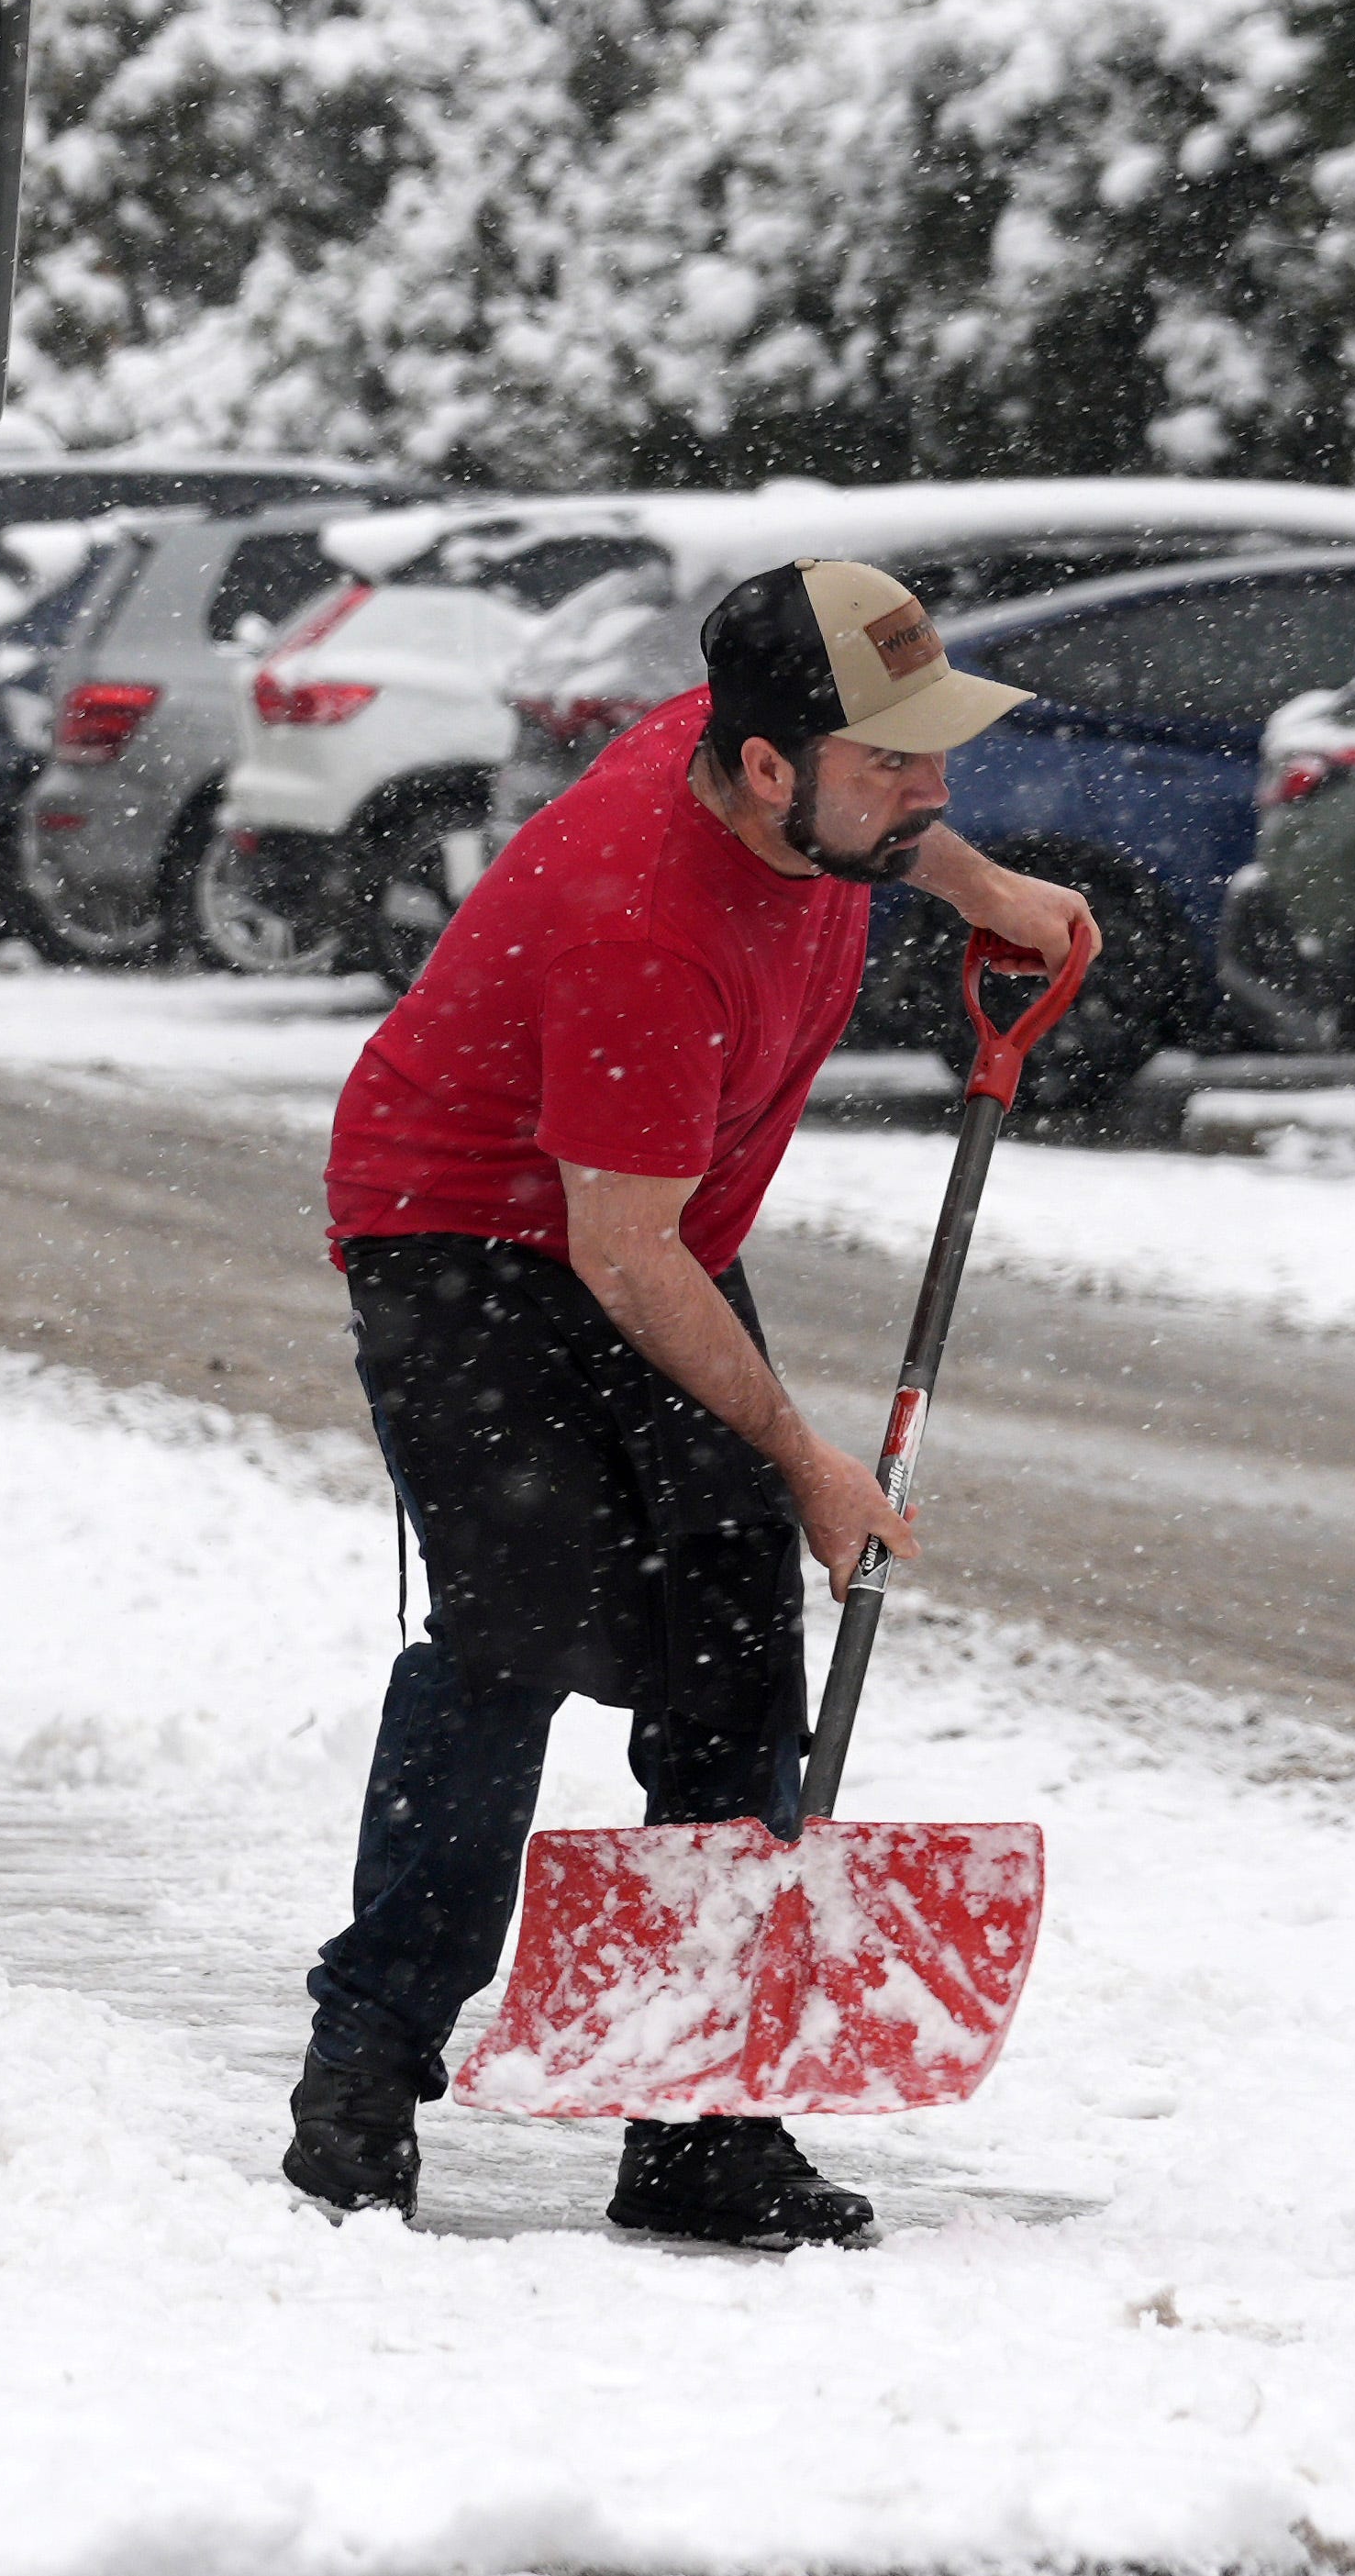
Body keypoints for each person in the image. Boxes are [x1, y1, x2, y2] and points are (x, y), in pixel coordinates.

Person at [283, 557, 1094, 2248]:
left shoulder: (786, 779)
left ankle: (706, 2118)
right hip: (465, 1235)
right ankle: (365, 2063)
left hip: (642, 1216)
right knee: (520, 1629)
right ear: (771, 765)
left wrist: (978, 880)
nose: (928, 789)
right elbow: (620, 1250)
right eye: (893, 764)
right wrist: (804, 1456)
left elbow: (654, 1235)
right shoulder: (642, 911)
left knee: (732, 1644)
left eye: (937, 756)